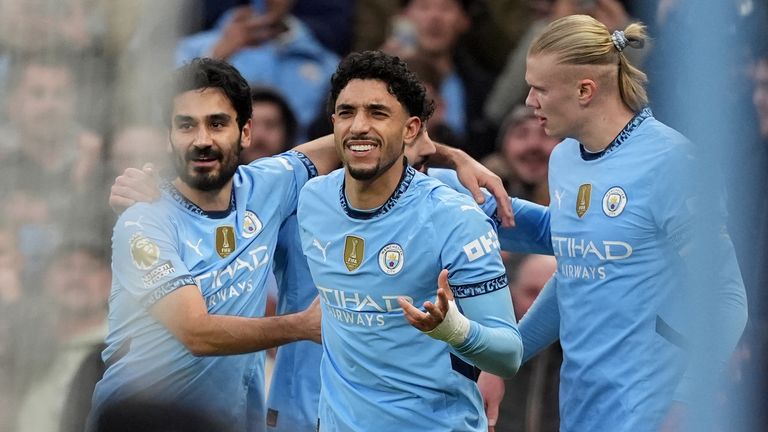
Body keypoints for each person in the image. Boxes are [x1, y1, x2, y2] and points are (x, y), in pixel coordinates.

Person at [101, 56, 518, 432]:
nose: (202, 139)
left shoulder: (271, 184)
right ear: (167, 136)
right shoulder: (144, 219)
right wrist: (301, 325)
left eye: (217, 123)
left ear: (245, 132)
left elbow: (361, 138)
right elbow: (196, 333)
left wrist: (450, 155)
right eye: (186, 125)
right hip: (140, 418)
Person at [480, 14, 748, 432]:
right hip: (581, 406)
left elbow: (727, 298)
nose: (529, 101)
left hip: (653, 411)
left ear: (585, 90)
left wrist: (684, 403)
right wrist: (504, 361)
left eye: (540, 88)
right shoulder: (564, 158)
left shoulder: (673, 162)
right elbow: (575, 274)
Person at [296, 49, 521, 431]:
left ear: (411, 129)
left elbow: (508, 355)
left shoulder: (454, 216)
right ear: (333, 123)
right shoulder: (312, 200)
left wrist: (454, 330)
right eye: (347, 112)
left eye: (378, 113)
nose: (359, 126)